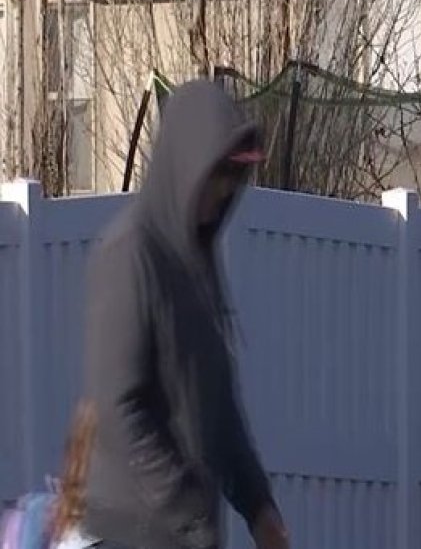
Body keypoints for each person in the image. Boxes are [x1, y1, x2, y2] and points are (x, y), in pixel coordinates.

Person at [77, 81, 289, 549]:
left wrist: (259, 507)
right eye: (218, 175)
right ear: (187, 167)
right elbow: (118, 408)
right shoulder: (129, 254)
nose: (225, 190)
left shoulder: (198, 266)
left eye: (235, 178)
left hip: (183, 534)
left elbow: (216, 407)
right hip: (126, 532)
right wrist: (186, 509)